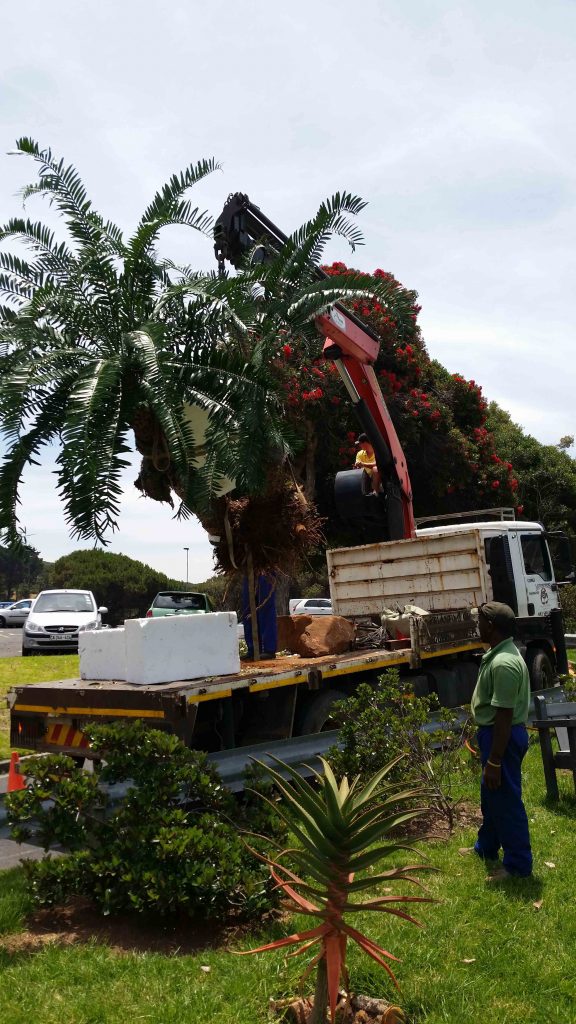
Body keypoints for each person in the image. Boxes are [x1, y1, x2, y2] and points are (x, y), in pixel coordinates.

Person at [461, 601, 533, 879]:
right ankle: (487, 847)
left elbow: (503, 716)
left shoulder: (504, 663)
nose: (477, 626)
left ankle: (518, 866)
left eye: (480, 621)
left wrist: (494, 759)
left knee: (506, 800)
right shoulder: (497, 655)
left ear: (491, 626)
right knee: (491, 797)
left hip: (502, 737)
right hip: (494, 734)